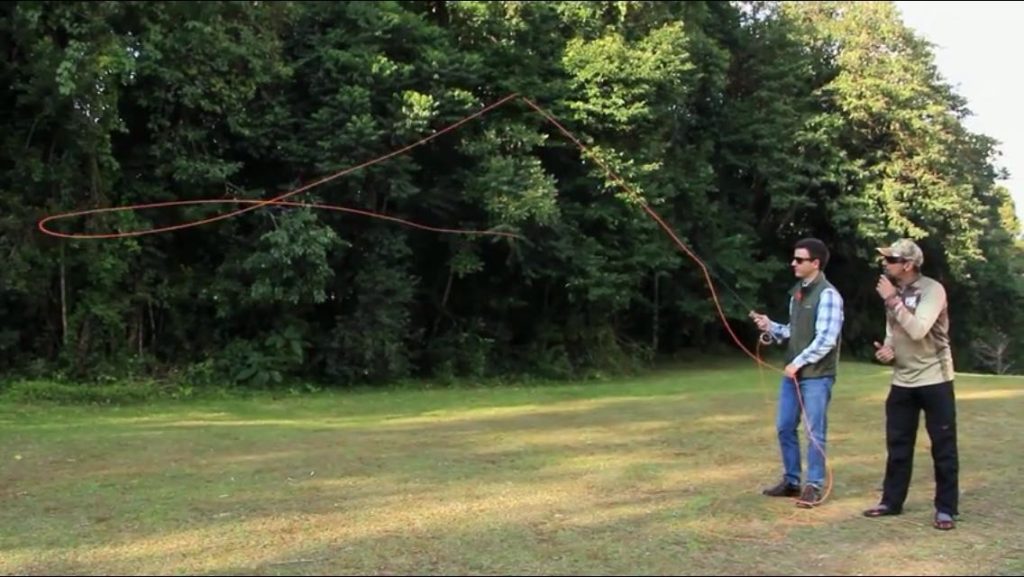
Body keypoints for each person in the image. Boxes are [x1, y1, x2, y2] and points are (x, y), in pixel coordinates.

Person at [863, 238, 960, 531]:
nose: (885, 263)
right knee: (898, 445)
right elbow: (894, 331)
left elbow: (918, 330)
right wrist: (887, 351)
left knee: (943, 446)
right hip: (903, 380)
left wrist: (893, 299)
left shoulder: (933, 290)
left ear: (907, 264)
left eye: (891, 259)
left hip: (936, 378)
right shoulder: (896, 292)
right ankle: (891, 502)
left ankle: (945, 509)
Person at [749, 238, 845, 508]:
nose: (793, 263)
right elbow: (795, 331)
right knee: (784, 427)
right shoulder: (798, 294)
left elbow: (826, 339)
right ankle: (792, 481)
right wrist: (771, 326)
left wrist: (798, 362)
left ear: (815, 263)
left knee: (815, 431)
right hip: (793, 374)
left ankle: (813, 485)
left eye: (799, 259)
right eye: (794, 258)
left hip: (816, 375)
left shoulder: (828, 295)